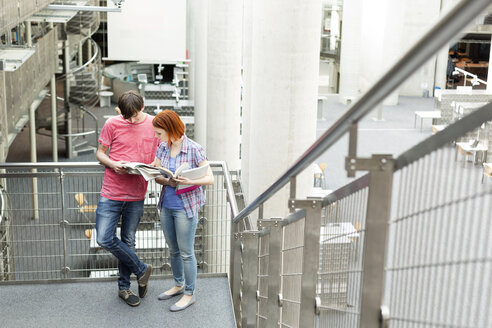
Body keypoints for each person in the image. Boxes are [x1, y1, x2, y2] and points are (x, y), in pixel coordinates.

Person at [95, 90, 159, 307]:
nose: (131, 120)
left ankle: (124, 288)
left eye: (134, 115)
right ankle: (141, 269)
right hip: (111, 191)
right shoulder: (112, 123)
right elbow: (100, 153)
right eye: (126, 116)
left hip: (136, 193)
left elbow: (159, 159)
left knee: (128, 240)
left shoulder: (154, 125)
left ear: (142, 107)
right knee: (103, 238)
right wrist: (114, 164)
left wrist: (150, 169)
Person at [152, 110, 214, 312]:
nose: (157, 137)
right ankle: (178, 285)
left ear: (170, 129)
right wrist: (166, 179)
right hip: (166, 205)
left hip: (185, 208)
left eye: (160, 133)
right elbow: (156, 174)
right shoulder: (163, 147)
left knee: (187, 253)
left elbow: (210, 179)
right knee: (173, 250)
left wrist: (190, 181)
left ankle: (189, 293)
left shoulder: (195, 149)